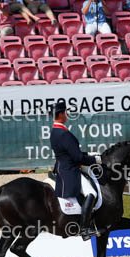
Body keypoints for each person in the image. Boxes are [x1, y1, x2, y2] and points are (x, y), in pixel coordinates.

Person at [49, 99, 102, 241]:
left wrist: (88, 154)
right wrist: (95, 160)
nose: (67, 115)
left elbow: (70, 153)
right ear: (61, 114)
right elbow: (77, 157)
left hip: (63, 167)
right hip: (70, 170)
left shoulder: (55, 131)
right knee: (91, 193)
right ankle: (84, 229)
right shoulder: (64, 134)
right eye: (65, 112)